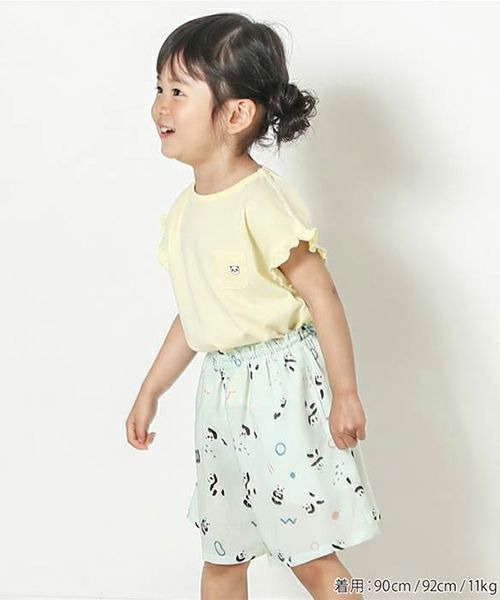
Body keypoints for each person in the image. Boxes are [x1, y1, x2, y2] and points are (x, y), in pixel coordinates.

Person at [126, 12, 382, 600]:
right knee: (223, 553)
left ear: (237, 113)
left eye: (178, 91)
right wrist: (151, 389)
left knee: (309, 553)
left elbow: (323, 296)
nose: (159, 106)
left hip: (280, 389)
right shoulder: (185, 211)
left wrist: (345, 393)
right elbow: (197, 312)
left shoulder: (260, 202)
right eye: (159, 88)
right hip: (221, 396)